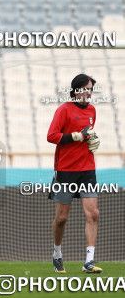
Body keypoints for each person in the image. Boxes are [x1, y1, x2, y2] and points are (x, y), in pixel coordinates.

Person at [47, 73, 101, 274]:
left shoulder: (92, 110)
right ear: (76, 89)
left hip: (87, 169)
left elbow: (87, 133)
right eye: (86, 88)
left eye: (90, 89)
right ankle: (57, 254)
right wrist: (76, 136)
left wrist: (92, 139)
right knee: (62, 218)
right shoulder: (63, 110)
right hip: (66, 170)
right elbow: (52, 136)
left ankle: (88, 261)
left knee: (93, 214)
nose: (89, 92)